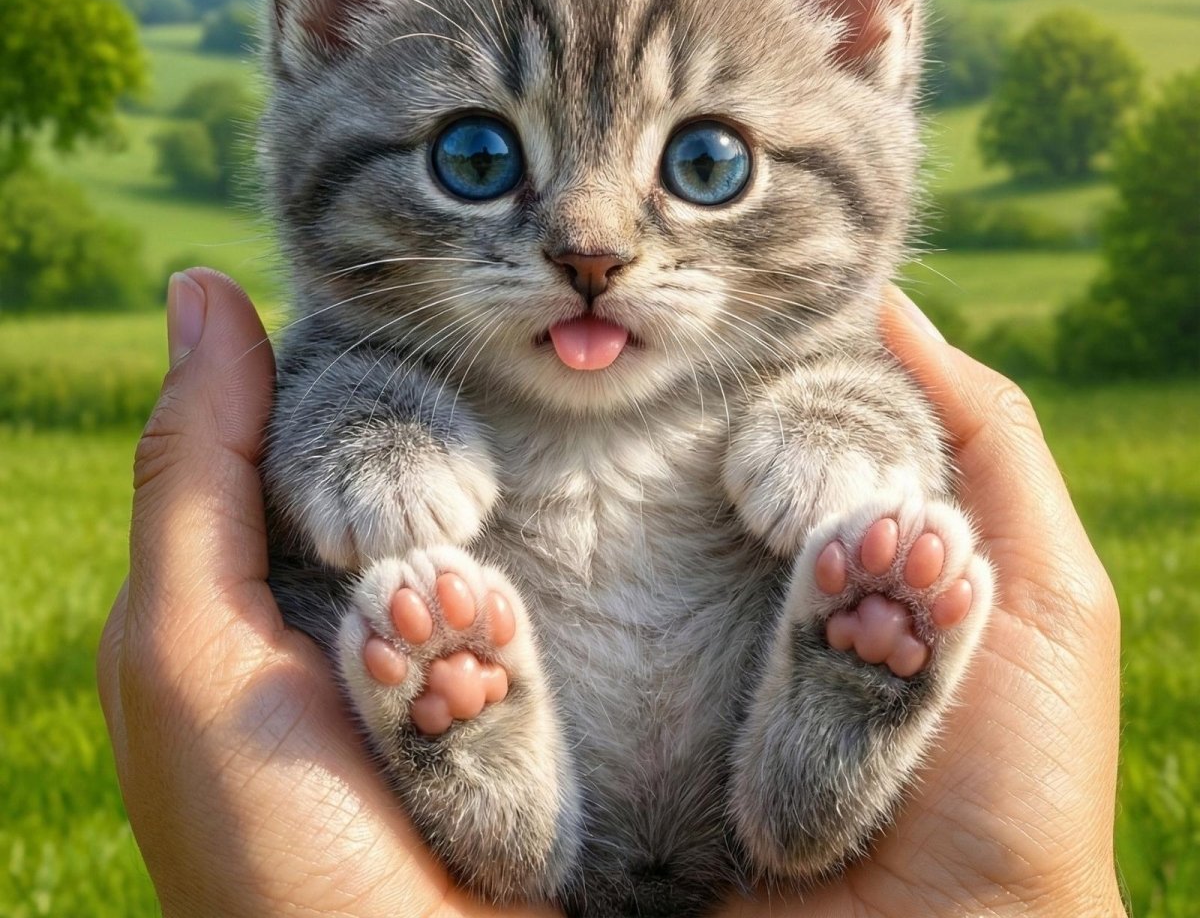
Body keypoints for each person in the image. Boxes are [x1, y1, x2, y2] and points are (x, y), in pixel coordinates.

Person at [97, 269, 1125, 917]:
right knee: (353, 483)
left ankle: (815, 760)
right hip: (553, 851)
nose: (593, 246)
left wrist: (841, 418)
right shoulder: (372, 355)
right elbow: (323, 404)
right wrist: (360, 427)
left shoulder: (800, 342)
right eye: (480, 160)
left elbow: (879, 409)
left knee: (865, 456)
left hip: (736, 794)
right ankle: (495, 797)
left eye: (704, 167)